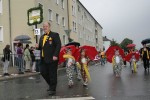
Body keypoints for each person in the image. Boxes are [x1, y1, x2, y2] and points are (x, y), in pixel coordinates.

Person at [38, 22, 61, 95]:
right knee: (43, 72)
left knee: (52, 74)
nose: (45, 27)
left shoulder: (54, 35)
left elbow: (58, 45)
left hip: (52, 58)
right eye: (44, 26)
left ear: (49, 27)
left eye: (46, 26)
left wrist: (55, 55)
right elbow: (41, 47)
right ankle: (51, 85)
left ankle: (53, 89)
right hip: (43, 59)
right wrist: (37, 47)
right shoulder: (41, 37)